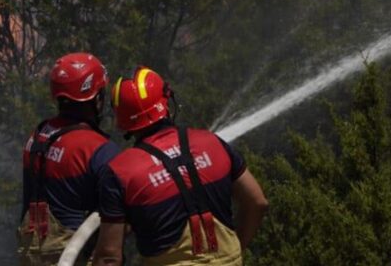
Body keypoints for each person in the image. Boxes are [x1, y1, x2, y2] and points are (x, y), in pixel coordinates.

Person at [92, 67, 268, 266]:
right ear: (167, 102)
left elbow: (109, 257)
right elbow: (257, 201)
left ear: (120, 121)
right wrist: (237, 250)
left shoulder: (120, 172)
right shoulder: (212, 143)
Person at [19, 52, 121, 266]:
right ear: (96, 97)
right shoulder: (98, 149)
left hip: (31, 252)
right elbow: (118, 217)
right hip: (73, 254)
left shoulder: (37, 136)